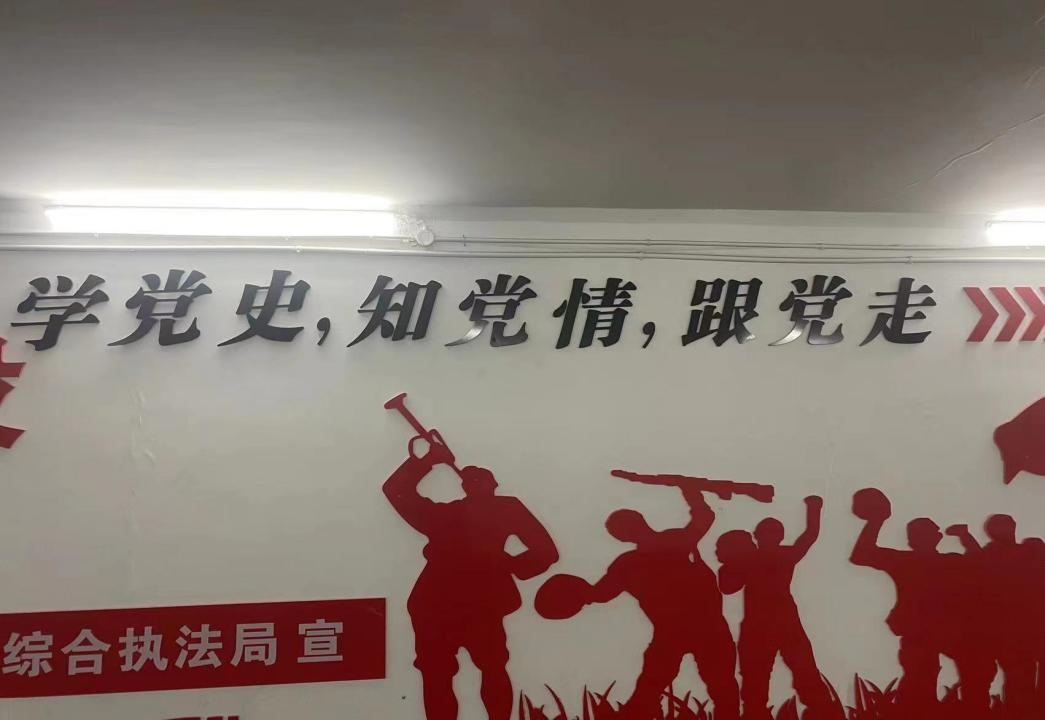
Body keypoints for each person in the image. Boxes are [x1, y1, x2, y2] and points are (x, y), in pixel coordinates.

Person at [384, 439, 558, 720]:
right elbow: (396, 491)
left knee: (481, 668)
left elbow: (546, 552)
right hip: (440, 603)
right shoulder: (455, 514)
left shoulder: (494, 510)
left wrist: (509, 564)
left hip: (469, 602)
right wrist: (428, 460)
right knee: (445, 672)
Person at [558, 474, 741, 720]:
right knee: (658, 688)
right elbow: (704, 517)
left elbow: (598, 594)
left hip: (701, 628)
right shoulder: (655, 551)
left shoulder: (638, 558)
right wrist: (691, 492)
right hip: (681, 631)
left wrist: (691, 492)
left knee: (714, 687)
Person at [850, 489, 972, 714]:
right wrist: (876, 521)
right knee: (920, 678)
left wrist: (966, 537)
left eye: (928, 533)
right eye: (920, 534)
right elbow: (861, 554)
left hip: (946, 629)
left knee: (973, 668)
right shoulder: (906, 561)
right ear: (912, 539)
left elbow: (982, 566)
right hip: (919, 630)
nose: (925, 538)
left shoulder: (948, 562)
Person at [716, 496, 838, 720]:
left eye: (772, 534)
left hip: (778, 623)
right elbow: (728, 587)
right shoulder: (770, 556)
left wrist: (814, 507)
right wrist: (814, 508)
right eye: (767, 533)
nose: (769, 538)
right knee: (760, 680)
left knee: (796, 675)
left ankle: (823, 712)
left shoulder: (775, 556)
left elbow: (809, 536)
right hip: (766, 624)